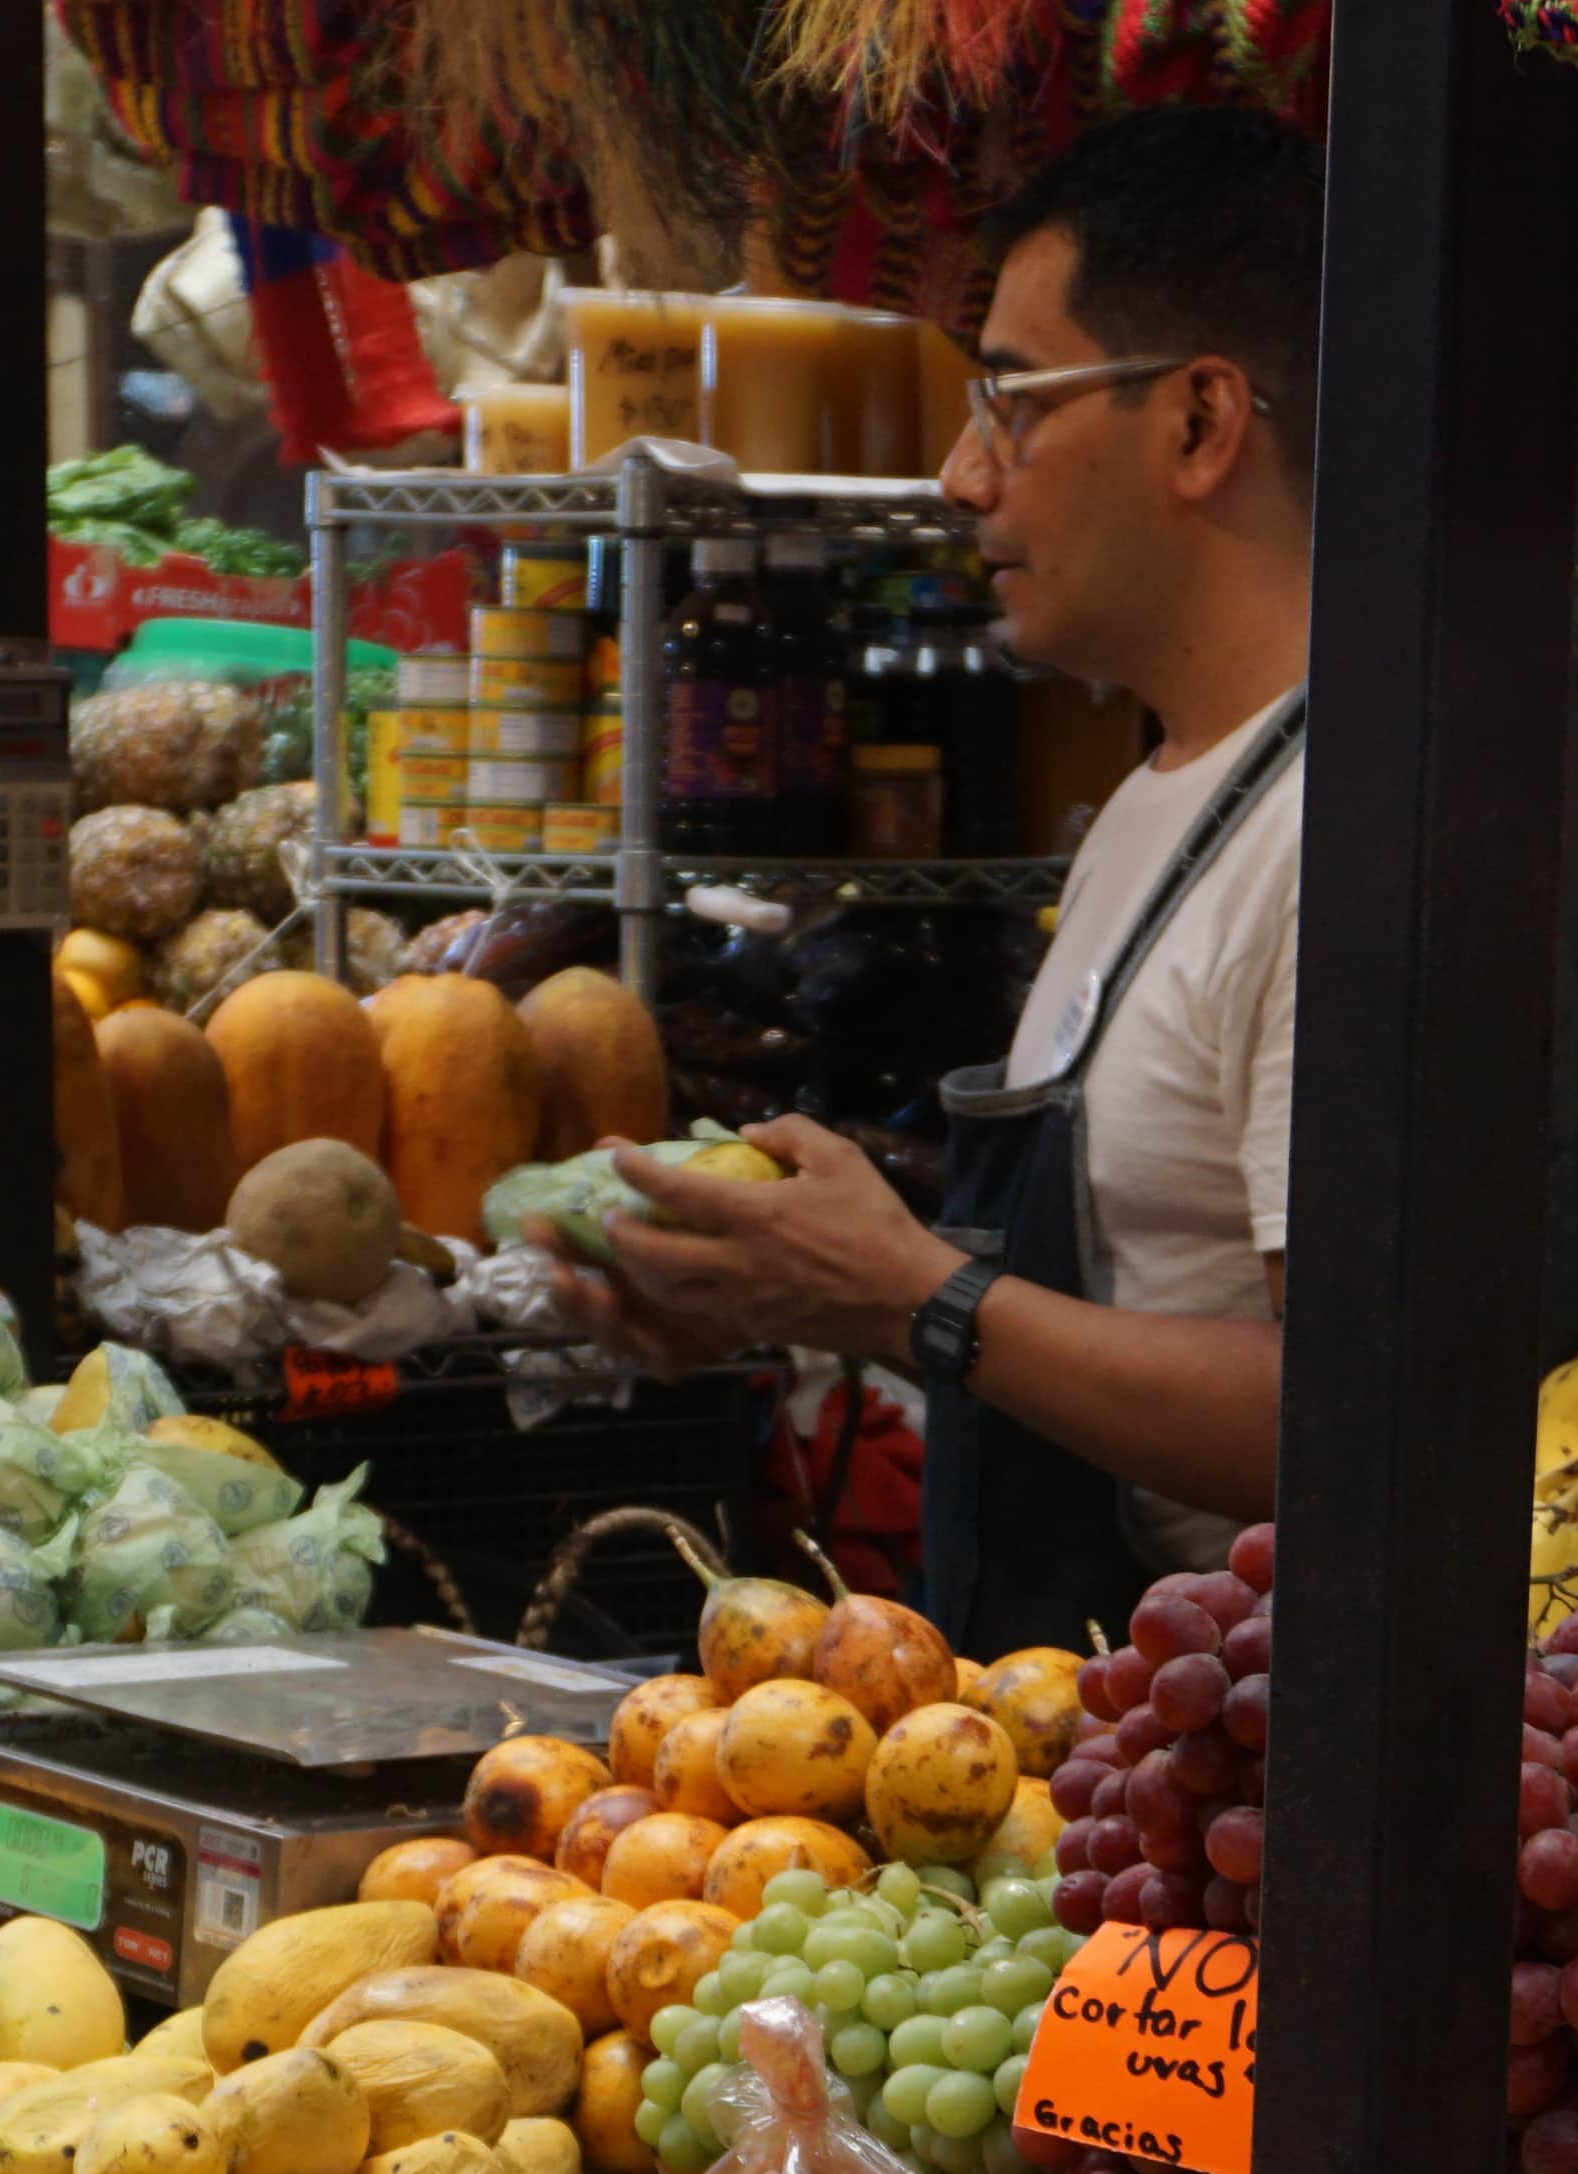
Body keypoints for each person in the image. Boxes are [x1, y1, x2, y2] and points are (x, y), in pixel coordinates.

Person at [548, 106, 1332, 1652]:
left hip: (1263, 1771)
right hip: (1082, 1732)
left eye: (1013, 402)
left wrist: (920, 1298)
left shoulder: (1365, 840)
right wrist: (794, 1286)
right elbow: (1121, 1309)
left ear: (1198, 424)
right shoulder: (1165, 801)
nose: (964, 476)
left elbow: (1363, 1418)